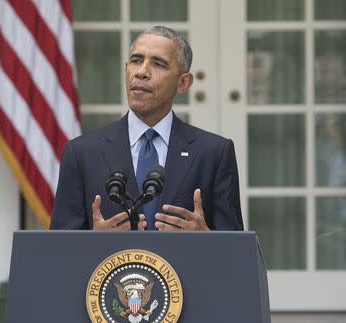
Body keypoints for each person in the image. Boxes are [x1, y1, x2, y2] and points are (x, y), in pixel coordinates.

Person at [50, 26, 243, 231]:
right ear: (126, 69)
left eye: (158, 64)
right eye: (136, 61)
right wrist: (93, 243)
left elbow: (236, 254)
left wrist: (207, 238)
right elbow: (59, 252)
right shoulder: (81, 153)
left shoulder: (214, 153)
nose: (142, 72)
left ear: (183, 83)